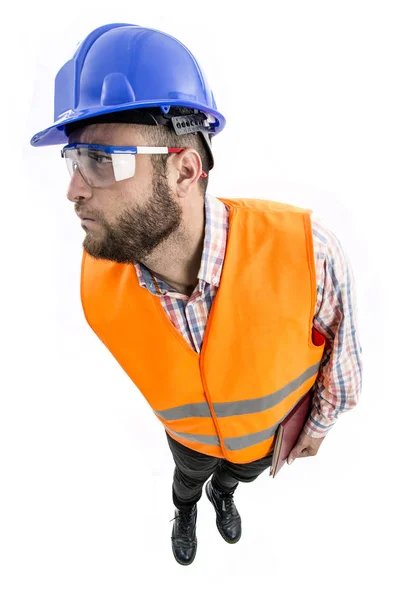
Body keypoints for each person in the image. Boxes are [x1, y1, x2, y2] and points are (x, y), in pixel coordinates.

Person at [30, 22, 363, 566]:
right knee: (187, 479)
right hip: (187, 440)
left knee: (235, 478)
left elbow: (342, 363)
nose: (72, 190)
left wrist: (318, 428)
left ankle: (224, 497)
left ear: (185, 168)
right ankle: (185, 510)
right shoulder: (96, 283)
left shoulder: (307, 249)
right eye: (73, 160)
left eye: (100, 160)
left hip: (261, 443)